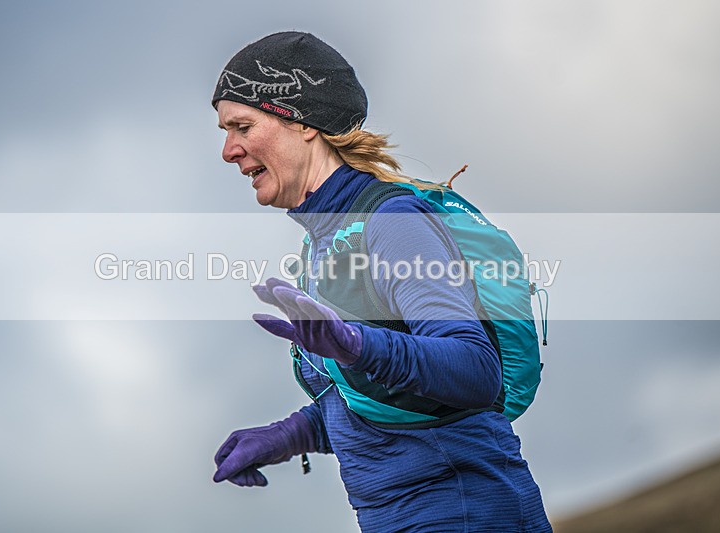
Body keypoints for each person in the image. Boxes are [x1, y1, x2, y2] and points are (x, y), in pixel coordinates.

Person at [211, 31, 552, 532]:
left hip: (464, 511)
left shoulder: (392, 223)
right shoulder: (324, 241)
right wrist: (291, 434)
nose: (227, 150)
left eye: (242, 126)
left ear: (303, 122)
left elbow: (476, 371)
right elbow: (389, 399)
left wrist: (355, 343)